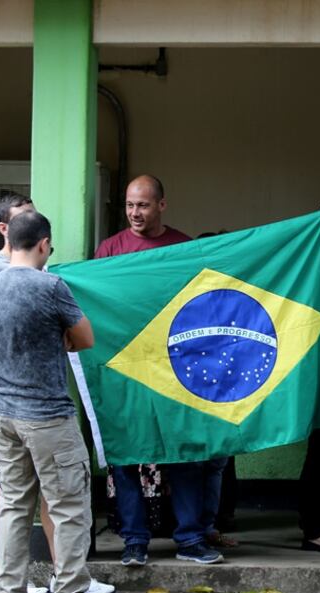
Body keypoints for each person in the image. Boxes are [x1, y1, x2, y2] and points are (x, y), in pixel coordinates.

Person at [0, 194, 113, 593]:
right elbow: (84, 338)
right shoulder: (50, 286)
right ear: (44, 244)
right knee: (67, 507)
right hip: (46, 415)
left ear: (10, 240)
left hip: (5, 413)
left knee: (13, 507)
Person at [99, 175, 224, 567]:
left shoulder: (184, 248)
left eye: (144, 205)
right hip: (124, 370)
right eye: (130, 205)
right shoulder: (109, 250)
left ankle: (190, 539)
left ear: (162, 205)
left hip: (175, 369)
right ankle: (135, 541)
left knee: (184, 454)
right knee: (126, 455)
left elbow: (201, 305)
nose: (135, 213)